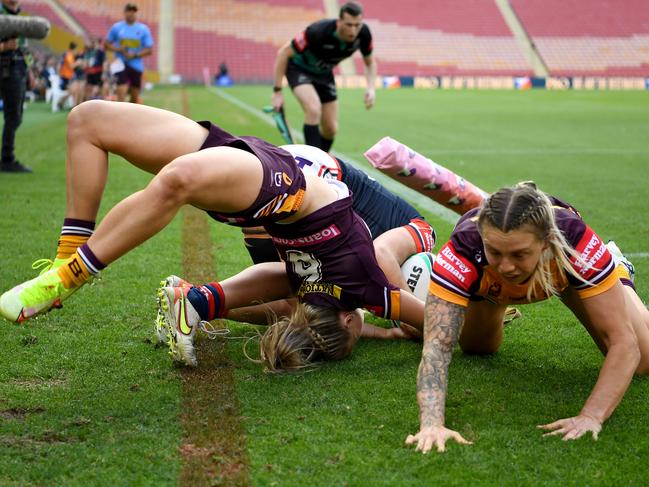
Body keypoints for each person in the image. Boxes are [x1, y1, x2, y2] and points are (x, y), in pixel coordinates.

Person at [0, 100, 424, 372]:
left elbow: (429, 320)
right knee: (87, 121)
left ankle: (67, 277)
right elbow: (429, 318)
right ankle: (66, 259)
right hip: (260, 168)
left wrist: (399, 327)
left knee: (177, 180)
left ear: (348, 319)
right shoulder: (349, 287)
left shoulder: (337, 290)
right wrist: (399, 327)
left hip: (284, 189)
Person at [405, 182, 649, 453]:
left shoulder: (574, 240)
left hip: (564, 277)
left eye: (519, 254)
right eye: (495, 252)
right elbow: (437, 347)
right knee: (478, 348)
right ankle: (501, 299)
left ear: (545, 242)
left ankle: (619, 272)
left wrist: (591, 416)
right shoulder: (462, 248)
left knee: (643, 360)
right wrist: (431, 424)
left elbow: (624, 344)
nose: (507, 266)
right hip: (491, 292)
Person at [271, 1, 376, 152]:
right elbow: (283, 53)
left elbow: (370, 63)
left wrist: (371, 88)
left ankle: (321, 162)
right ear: (339, 22)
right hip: (299, 69)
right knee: (313, 109)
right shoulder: (318, 31)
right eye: (348, 24)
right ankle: (311, 164)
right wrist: (277, 91)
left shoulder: (364, 34)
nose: (353, 31)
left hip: (324, 74)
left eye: (357, 25)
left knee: (331, 128)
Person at [0, 0, 31, 172]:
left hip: (17, 70)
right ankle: (7, 158)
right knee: (13, 117)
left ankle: (7, 157)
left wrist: (30, 72)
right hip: (4, 67)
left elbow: (24, 49)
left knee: (15, 116)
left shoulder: (20, 16)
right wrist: (4, 46)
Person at [105, 3, 153, 103]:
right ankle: (120, 115)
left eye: (133, 11)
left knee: (134, 98)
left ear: (136, 13)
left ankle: (131, 116)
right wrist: (118, 49)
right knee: (121, 92)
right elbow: (106, 44)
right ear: (124, 12)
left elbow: (149, 50)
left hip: (136, 66)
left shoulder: (143, 29)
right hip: (120, 63)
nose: (131, 13)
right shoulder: (116, 27)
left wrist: (134, 55)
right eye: (129, 11)